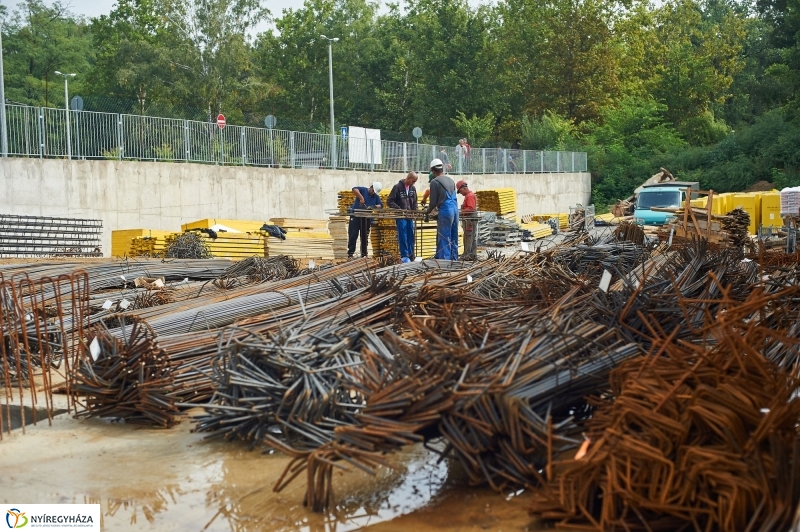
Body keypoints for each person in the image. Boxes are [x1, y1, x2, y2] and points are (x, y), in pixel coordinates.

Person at [424, 158, 459, 260]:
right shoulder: (451, 180)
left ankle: (445, 262)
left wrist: (427, 211)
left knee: (444, 237)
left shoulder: (434, 182)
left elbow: (433, 202)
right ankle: (454, 260)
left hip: (446, 210)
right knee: (453, 235)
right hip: (455, 210)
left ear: (433, 171)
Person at [387, 172, 419, 263]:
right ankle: (405, 255)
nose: (414, 183)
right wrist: (399, 209)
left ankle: (411, 255)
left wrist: (415, 210)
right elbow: (390, 201)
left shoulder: (413, 188)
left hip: (409, 216)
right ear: (408, 178)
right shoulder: (397, 187)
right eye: (413, 181)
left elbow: (415, 201)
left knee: (410, 235)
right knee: (403, 235)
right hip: (401, 216)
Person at [348, 182, 383, 258]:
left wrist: (373, 206)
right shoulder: (363, 190)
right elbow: (354, 189)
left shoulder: (375, 196)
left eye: (374, 192)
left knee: (364, 237)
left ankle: (364, 254)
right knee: (353, 235)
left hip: (366, 218)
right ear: (371, 187)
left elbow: (380, 205)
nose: (373, 193)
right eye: (372, 190)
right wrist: (361, 198)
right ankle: (350, 253)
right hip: (356, 216)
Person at [457, 180, 478, 259]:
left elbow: (470, 208)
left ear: (464, 188)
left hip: (470, 220)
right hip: (470, 219)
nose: (461, 193)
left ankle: (467, 255)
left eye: (460, 191)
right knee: (471, 236)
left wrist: (460, 212)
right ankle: (472, 254)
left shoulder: (469, 196)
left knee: (468, 236)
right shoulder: (469, 196)